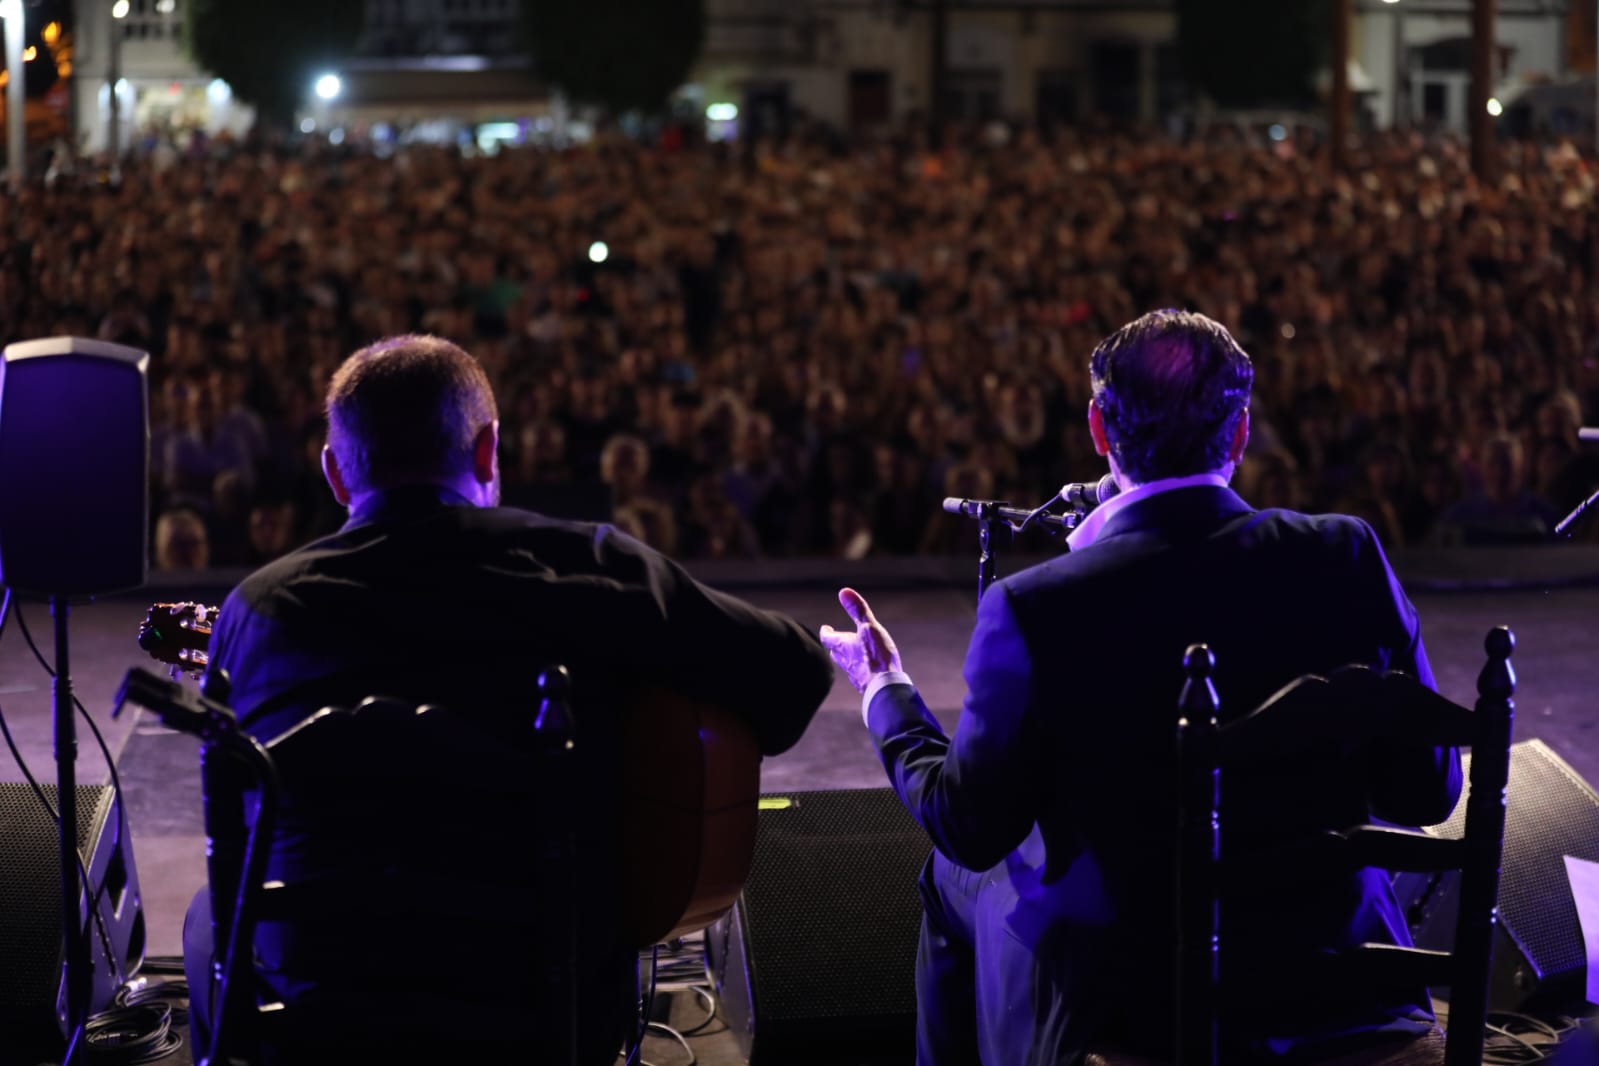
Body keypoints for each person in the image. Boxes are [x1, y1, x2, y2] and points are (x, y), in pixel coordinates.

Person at [821, 309, 1462, 1065]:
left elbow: (970, 826)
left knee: (950, 872)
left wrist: (882, 688)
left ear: (1098, 429)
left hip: (1150, 1004)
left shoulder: (1038, 604)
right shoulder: (1345, 552)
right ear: (1240, 432)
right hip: (1344, 980)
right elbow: (1426, 793)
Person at [182, 334, 835, 1063]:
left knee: (212, 913)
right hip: (541, 1015)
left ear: (335, 473)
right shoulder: (593, 564)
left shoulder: (254, 609)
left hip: (318, 1013)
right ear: (489, 450)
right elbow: (794, 676)